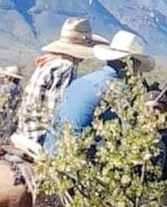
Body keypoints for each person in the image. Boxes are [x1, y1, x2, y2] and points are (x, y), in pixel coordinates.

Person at [44, 30, 155, 155]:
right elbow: (127, 133)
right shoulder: (119, 91)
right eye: (137, 65)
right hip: (78, 159)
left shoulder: (82, 80)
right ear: (130, 62)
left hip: (51, 152)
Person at [16, 17, 108, 145]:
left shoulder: (51, 62)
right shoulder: (64, 67)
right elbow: (58, 108)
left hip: (26, 131)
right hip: (40, 136)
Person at [0, 66, 24, 138]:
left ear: (10, 77)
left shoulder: (5, 88)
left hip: (4, 119)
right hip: (13, 119)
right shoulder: (20, 89)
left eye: (6, 76)